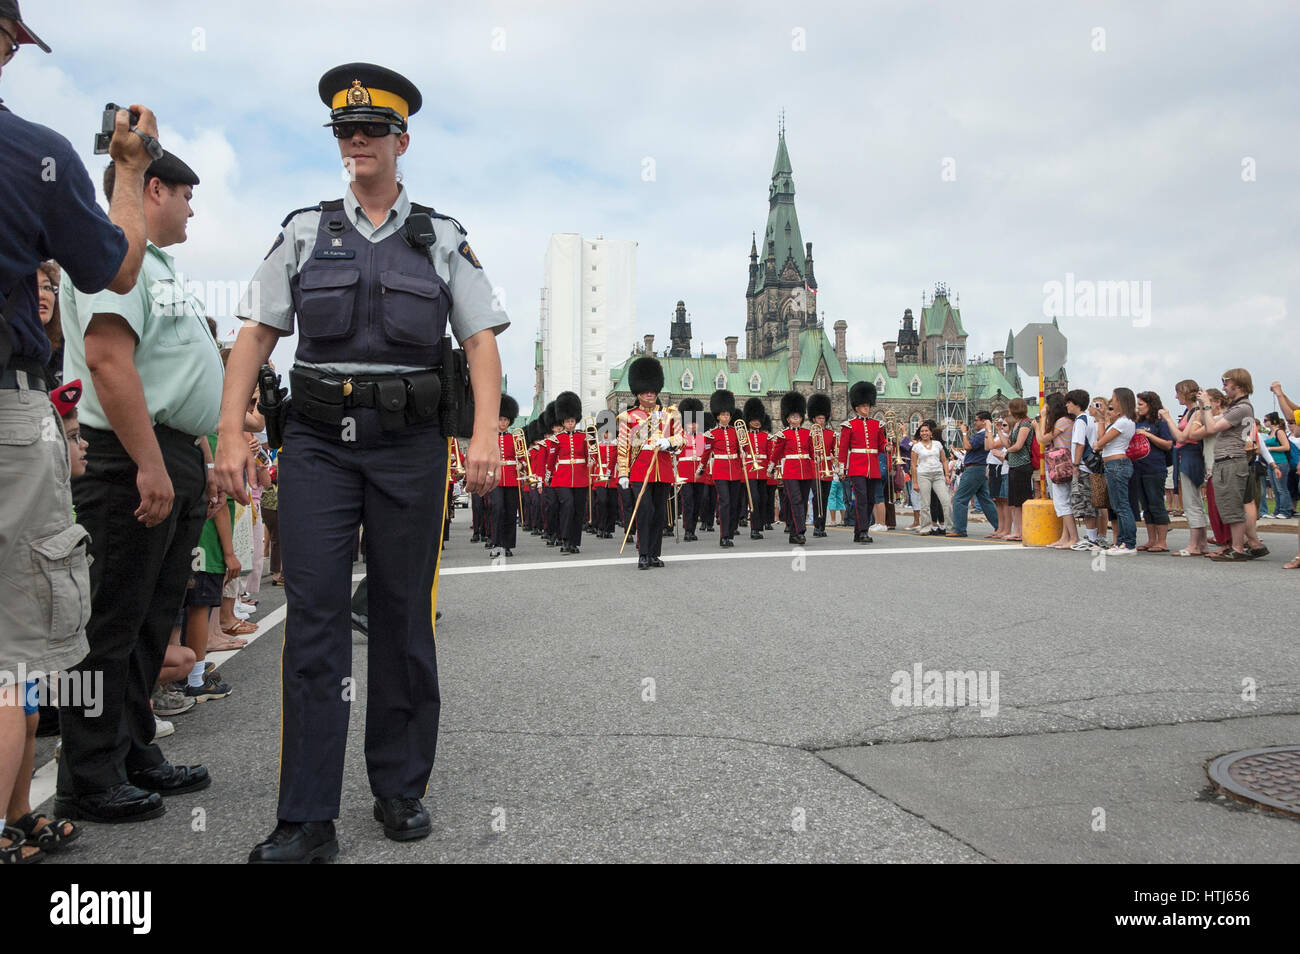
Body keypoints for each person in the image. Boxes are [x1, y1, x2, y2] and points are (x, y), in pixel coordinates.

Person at [215, 63, 507, 863]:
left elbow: (479, 342)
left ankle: (400, 786)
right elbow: (256, 333)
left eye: (371, 130)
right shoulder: (306, 230)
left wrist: (483, 434)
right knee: (313, 622)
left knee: (403, 613)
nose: (357, 142)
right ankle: (307, 816)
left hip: (411, 448)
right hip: (317, 445)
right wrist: (230, 432)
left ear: (401, 141)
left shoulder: (441, 237)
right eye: (345, 132)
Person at [0, 1, 160, 858]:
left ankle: (21, 816)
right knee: (19, 642)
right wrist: (127, 168)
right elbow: (118, 265)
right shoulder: (36, 154)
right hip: (6, 408)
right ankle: (6, 823)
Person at [54, 147, 222, 824]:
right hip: (131, 456)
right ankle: (87, 773)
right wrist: (151, 463)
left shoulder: (153, 265)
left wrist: (189, 463)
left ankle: (130, 749)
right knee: (110, 624)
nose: (192, 208)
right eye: (186, 194)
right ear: (153, 188)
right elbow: (107, 362)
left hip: (166, 451)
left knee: (150, 619)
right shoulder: (111, 256)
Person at [617, 356, 681, 568]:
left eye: (652, 390)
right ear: (638, 393)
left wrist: (667, 442)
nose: (650, 394)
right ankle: (643, 553)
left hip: (661, 470)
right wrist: (624, 473)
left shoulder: (669, 415)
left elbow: (682, 440)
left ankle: (654, 554)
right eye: (646, 391)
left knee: (659, 514)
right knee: (645, 511)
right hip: (640, 470)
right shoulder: (629, 417)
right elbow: (623, 448)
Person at [1195, 370, 1263, 562]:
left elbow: (1211, 428)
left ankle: (1237, 548)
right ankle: (1252, 544)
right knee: (1230, 505)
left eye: (1226, 382)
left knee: (1232, 507)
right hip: (1230, 460)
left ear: (1239, 386)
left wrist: (1207, 404)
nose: (1223, 386)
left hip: (1231, 460)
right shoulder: (1239, 407)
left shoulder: (1241, 407)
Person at [1158, 381, 1208, 557]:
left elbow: (1181, 436)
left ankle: (1194, 544)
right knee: (1194, 501)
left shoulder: (1195, 411)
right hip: (1185, 456)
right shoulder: (1191, 411)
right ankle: (1201, 542)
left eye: (1177, 393)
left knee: (1191, 502)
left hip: (1190, 455)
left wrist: (1168, 418)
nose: (1176, 396)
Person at [837, 381, 884, 544]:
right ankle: (864, 530)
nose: (866, 408)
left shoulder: (877, 425)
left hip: (873, 467)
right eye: (863, 405)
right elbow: (843, 449)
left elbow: (881, 446)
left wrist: (889, 446)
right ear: (856, 407)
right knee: (862, 498)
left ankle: (858, 531)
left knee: (870, 500)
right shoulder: (849, 426)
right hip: (857, 467)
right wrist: (841, 469)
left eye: (868, 405)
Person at [1092, 388, 1138, 554]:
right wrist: (1102, 419)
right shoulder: (1119, 422)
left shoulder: (1124, 422)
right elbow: (1100, 439)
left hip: (1117, 463)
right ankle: (1121, 542)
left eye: (1113, 399)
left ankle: (1128, 543)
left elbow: (1101, 442)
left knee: (1122, 505)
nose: (1111, 403)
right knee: (1118, 505)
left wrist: (1099, 443)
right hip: (1112, 464)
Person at [770, 391, 816, 545]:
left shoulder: (808, 433)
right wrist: (771, 468)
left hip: (806, 470)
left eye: (798, 415)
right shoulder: (783, 435)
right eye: (793, 415)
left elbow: (812, 453)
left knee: (802, 501)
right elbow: (776, 453)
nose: (796, 417)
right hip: (790, 471)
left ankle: (794, 533)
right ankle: (800, 531)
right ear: (788, 418)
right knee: (795, 500)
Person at [698, 389, 743, 547]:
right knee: (725, 502)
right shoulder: (711, 434)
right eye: (723, 414)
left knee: (734, 503)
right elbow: (705, 454)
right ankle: (724, 536)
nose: (726, 417)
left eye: (728, 415)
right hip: (720, 470)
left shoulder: (737, 432)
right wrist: (700, 469)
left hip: (735, 471)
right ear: (717, 416)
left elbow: (741, 451)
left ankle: (730, 533)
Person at [1034, 393, 1079, 549]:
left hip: (1061, 464)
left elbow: (1042, 438)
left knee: (1062, 502)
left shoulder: (1063, 421)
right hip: (1061, 464)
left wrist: (1041, 419)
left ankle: (1073, 537)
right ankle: (1065, 537)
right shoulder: (1065, 421)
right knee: (1062, 502)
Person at [1131, 391, 1173, 551]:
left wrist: (1148, 435)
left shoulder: (1159, 424)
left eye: (1141, 404)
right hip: (1138, 468)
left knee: (1156, 504)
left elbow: (1168, 444)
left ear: (1151, 405)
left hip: (1154, 468)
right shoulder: (1137, 422)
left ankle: (1162, 541)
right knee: (1146, 506)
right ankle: (1151, 539)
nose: (1138, 407)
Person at [547, 391, 589, 555]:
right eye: (567, 421)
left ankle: (574, 542)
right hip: (562, 478)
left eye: (572, 421)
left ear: (575, 420)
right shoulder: (557, 439)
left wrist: (592, 461)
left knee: (578, 510)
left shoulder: (583, 437)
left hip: (580, 477)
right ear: (563, 422)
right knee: (568, 505)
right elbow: (551, 460)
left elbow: (588, 456)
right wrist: (548, 477)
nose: (570, 424)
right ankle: (565, 539)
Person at [948, 411, 1000, 538]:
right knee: (985, 500)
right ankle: (1000, 527)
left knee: (959, 498)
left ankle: (959, 528)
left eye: (977, 420)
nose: (974, 422)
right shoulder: (983, 435)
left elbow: (967, 446)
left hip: (974, 468)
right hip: (979, 468)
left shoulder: (981, 435)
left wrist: (964, 433)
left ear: (984, 421)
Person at [1065, 390, 1101, 551]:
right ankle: (1096, 536)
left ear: (1076, 404)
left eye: (1069, 402)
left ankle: (1091, 538)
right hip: (1095, 465)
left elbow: (1079, 444)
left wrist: (1076, 464)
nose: (1067, 405)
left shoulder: (1080, 421)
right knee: (1095, 503)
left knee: (1086, 504)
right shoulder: (1092, 419)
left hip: (1084, 466)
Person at [490, 394, 521, 557]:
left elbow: (522, 457)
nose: (503, 423)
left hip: (511, 477)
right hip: (495, 478)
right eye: (500, 419)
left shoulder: (515, 438)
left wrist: (521, 463)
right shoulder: (490, 438)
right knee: (497, 509)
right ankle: (496, 543)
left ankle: (507, 544)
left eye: (505, 420)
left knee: (510, 511)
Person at [1000, 400, 1035, 542]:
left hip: (1022, 464)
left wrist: (1006, 453)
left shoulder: (1025, 424)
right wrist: (999, 431)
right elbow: (1009, 443)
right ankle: (1017, 530)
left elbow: (1018, 445)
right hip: (1014, 464)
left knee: (1021, 500)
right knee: (1014, 501)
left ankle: (1020, 531)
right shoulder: (1016, 425)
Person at [910, 422, 953, 535]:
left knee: (946, 501)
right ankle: (925, 527)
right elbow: (913, 465)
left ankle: (949, 527)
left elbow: (944, 460)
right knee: (925, 503)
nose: (924, 433)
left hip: (938, 475)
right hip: (923, 475)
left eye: (926, 431)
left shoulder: (938, 444)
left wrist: (947, 475)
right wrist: (915, 482)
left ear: (931, 432)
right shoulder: (916, 446)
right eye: (922, 431)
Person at [676, 397, 705, 541]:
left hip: (699, 474)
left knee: (697, 502)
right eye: (690, 422)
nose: (693, 425)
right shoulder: (680, 437)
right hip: (685, 473)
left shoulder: (702, 437)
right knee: (688, 502)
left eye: (695, 422)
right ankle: (688, 530)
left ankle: (692, 529)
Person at [808, 393, 836, 537]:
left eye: (823, 418)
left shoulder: (831, 434)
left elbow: (834, 451)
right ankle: (816, 525)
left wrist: (833, 458)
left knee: (824, 498)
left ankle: (822, 526)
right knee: (816, 497)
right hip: (814, 468)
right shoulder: (809, 433)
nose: (821, 420)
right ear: (813, 418)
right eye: (819, 418)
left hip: (827, 469)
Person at [1261, 412, 1294, 519]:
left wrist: (1271, 448)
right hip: (1271, 463)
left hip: (1281, 462)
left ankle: (1286, 510)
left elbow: (1286, 447)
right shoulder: (1270, 432)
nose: (1264, 422)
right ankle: (1278, 509)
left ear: (1273, 421)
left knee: (1281, 488)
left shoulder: (1279, 432)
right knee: (1275, 488)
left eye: (1266, 420)